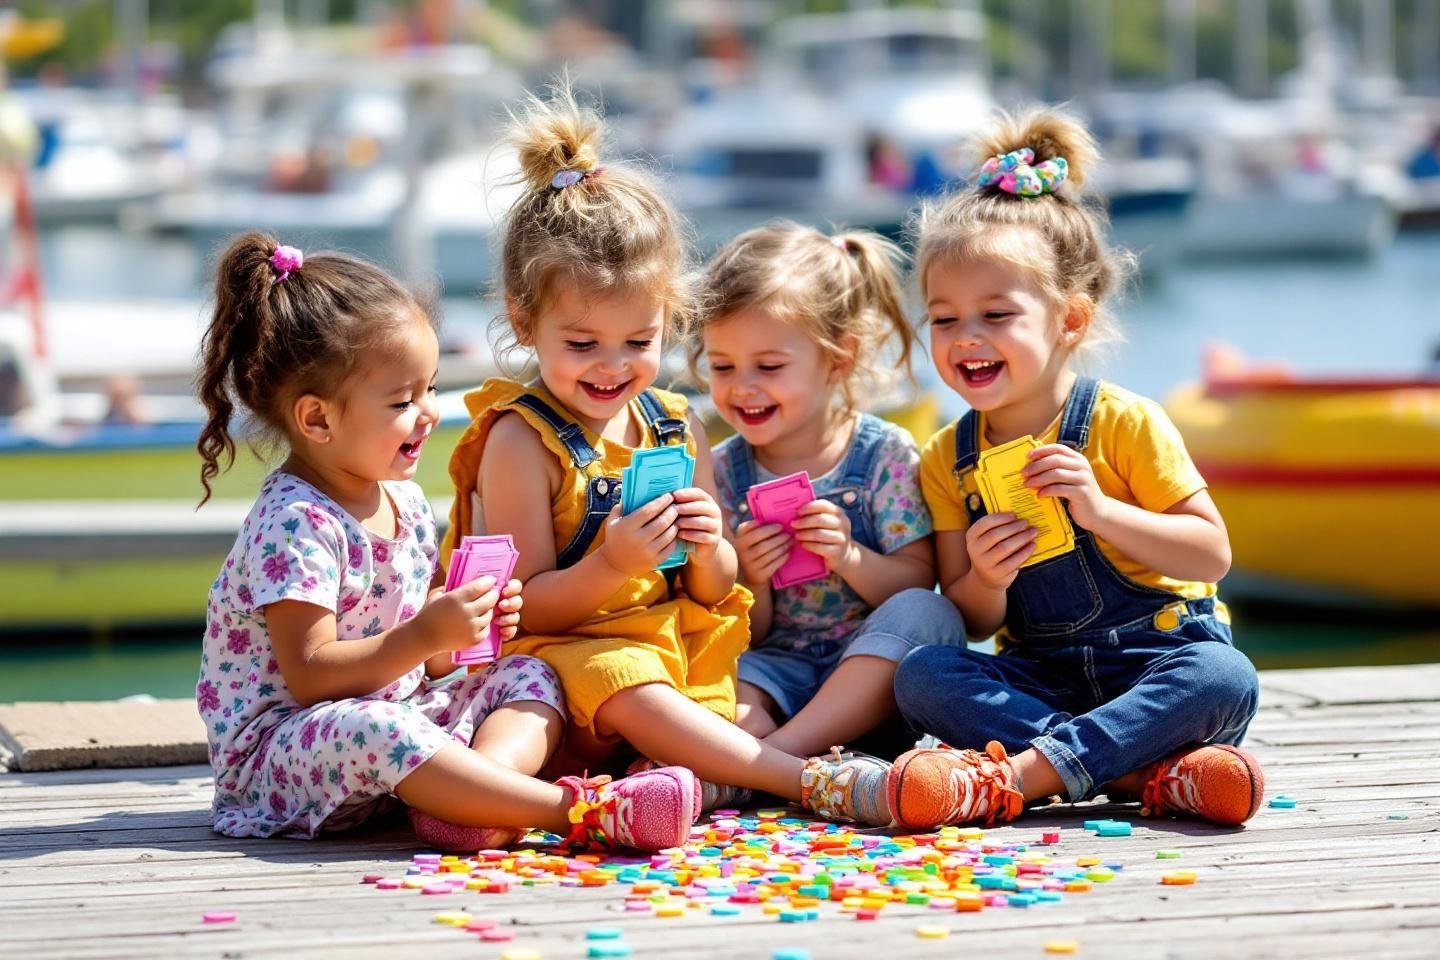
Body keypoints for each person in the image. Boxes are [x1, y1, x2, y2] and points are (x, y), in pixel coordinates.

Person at [444, 87, 891, 825]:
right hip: (559, 659)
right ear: (525, 322)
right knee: (620, 682)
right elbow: (517, 608)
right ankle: (810, 782)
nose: (611, 367)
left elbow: (713, 591)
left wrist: (711, 545)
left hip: (666, 652)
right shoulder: (520, 438)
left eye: (639, 343)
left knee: (697, 688)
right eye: (582, 345)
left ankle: (639, 790)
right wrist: (612, 565)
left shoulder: (675, 426)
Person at [195, 232, 699, 852]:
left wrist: (466, 631)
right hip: (289, 752)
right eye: (403, 401)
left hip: (398, 726)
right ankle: (575, 811)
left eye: (430, 389)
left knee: (530, 676)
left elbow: (425, 658)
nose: (430, 412)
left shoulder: (402, 498)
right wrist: (425, 637)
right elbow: (312, 678)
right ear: (318, 420)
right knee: (375, 727)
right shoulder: (296, 523)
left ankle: (476, 803)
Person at [883, 109, 1264, 829]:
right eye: (943, 318)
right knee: (923, 675)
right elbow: (970, 617)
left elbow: (1212, 551)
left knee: (1223, 677)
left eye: (996, 316)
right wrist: (986, 578)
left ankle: (1026, 774)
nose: (966, 338)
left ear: (1070, 321)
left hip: (1156, 660)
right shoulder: (946, 457)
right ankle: (1145, 773)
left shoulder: (1124, 420)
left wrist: (1100, 510)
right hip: (1042, 676)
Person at [695, 221, 948, 760]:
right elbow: (749, 634)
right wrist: (753, 578)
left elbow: (917, 580)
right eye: (722, 366)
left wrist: (849, 555)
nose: (743, 386)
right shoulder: (720, 472)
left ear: (839, 358)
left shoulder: (882, 452)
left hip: (871, 674)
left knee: (929, 614)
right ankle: (757, 753)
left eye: (769, 366)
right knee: (727, 699)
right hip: (775, 668)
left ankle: (772, 760)